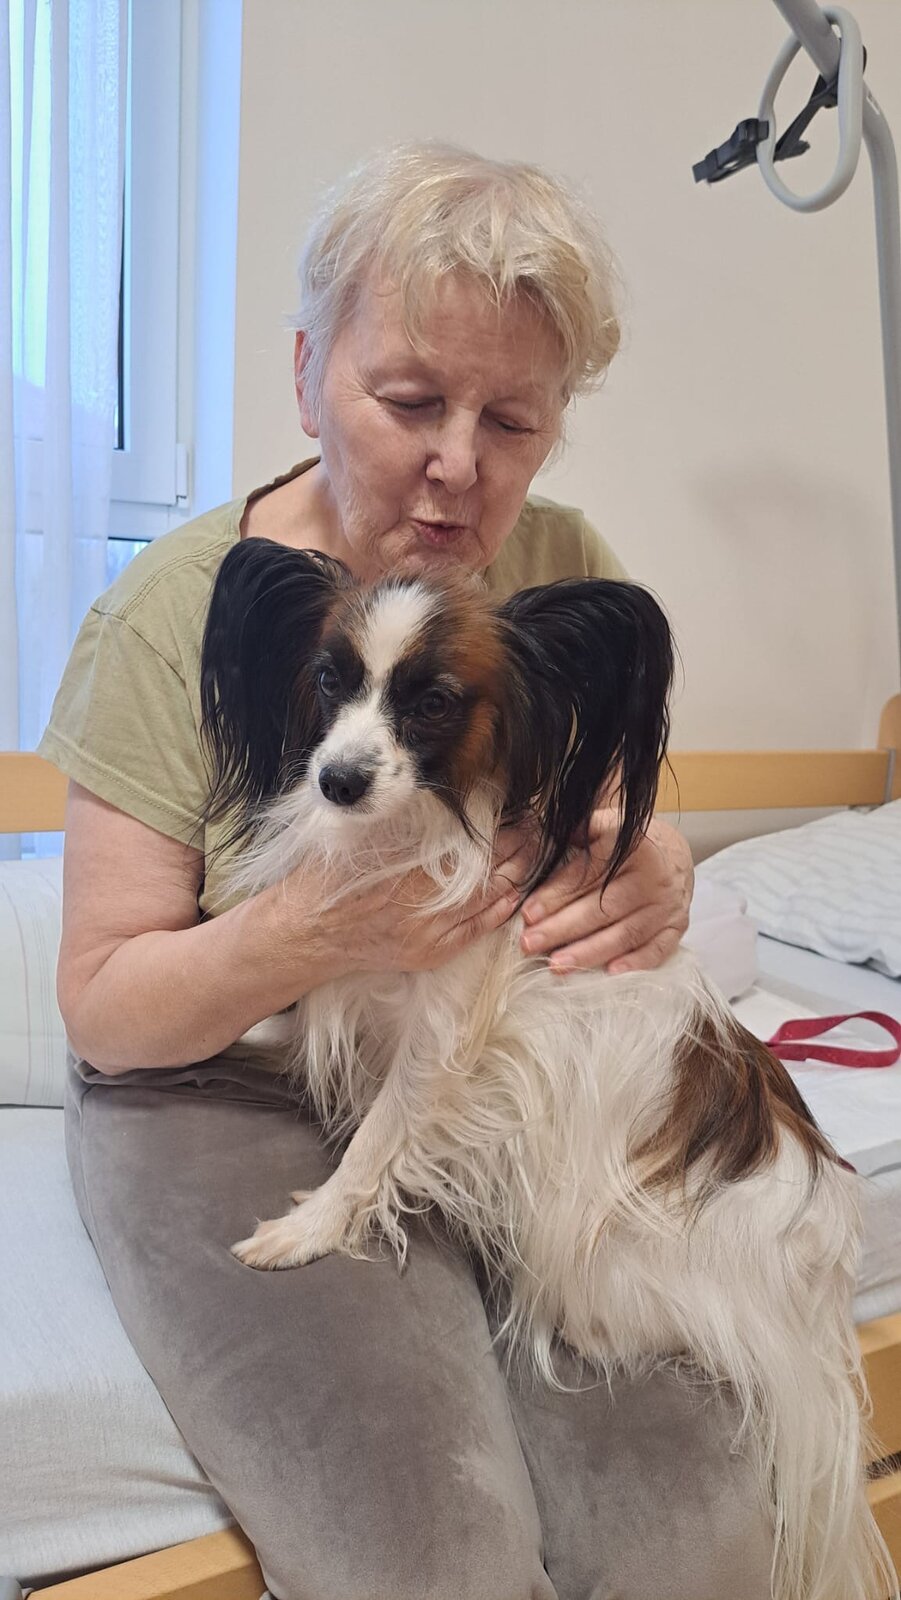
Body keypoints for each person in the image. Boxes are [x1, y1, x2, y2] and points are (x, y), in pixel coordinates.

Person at [40, 143, 773, 1600]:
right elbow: (107, 1007)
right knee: (433, 1550)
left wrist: (651, 864)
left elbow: (601, 825)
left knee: (687, 1527)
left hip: (476, 1067)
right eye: (411, 400)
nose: (459, 464)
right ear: (308, 372)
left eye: (512, 419)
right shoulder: (173, 614)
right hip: (223, 1075)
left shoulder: (556, 562)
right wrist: (310, 929)